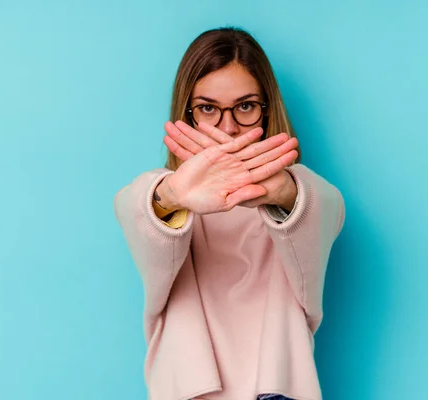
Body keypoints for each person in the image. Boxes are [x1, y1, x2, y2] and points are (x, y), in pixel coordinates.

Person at [114, 27, 345, 400]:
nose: (228, 126)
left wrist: (283, 189)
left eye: (245, 106)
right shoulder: (163, 194)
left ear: (267, 109)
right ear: (186, 113)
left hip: (275, 388)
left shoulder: (299, 190)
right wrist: (172, 194)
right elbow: (131, 207)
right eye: (208, 108)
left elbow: (328, 208)